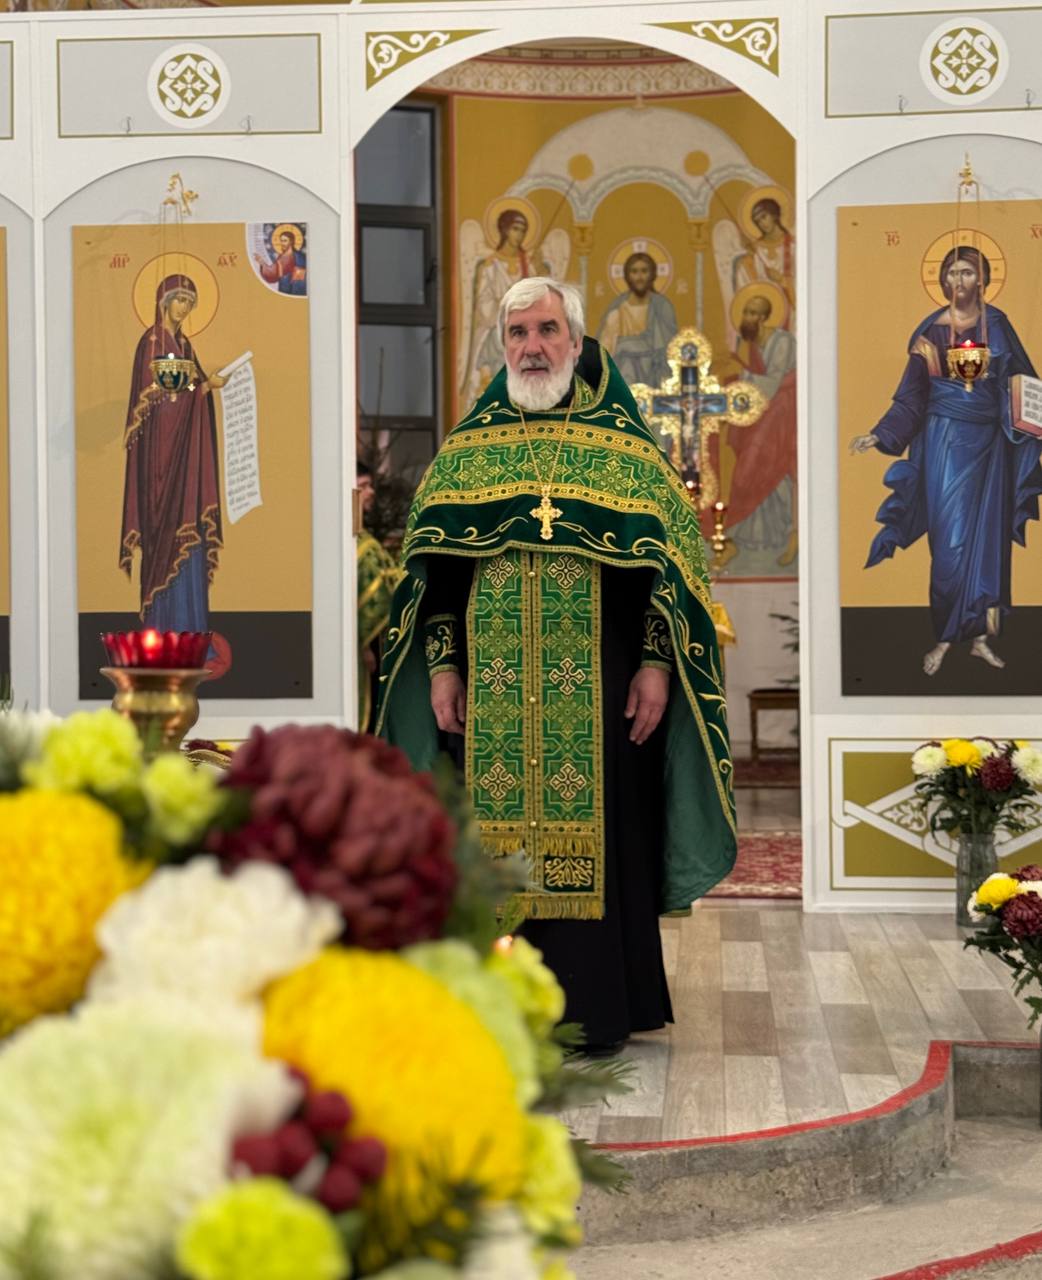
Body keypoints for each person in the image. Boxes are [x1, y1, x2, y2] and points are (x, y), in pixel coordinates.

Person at [378, 277, 736, 1055]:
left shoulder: (624, 449)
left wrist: (656, 664)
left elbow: (670, 574)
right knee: (486, 848)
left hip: (603, 690)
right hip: (490, 696)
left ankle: (595, 1010)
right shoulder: (469, 453)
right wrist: (442, 667)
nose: (532, 347)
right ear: (501, 345)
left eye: (546, 330)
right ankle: (495, 1008)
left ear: (576, 341)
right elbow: (434, 580)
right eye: (517, 333)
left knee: (607, 834)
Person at [851, 245, 1042, 675]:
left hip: (991, 445)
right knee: (949, 545)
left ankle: (978, 640)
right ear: (941, 280)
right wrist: (879, 434)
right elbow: (911, 396)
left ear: (983, 279)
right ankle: (943, 638)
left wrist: (1025, 415)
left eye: (967, 273)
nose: (959, 281)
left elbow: (1024, 383)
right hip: (944, 443)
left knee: (989, 543)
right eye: (952, 273)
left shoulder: (999, 325)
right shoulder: (930, 332)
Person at [120, 274, 226, 636]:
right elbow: (161, 406)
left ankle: (191, 633)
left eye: (190, 303)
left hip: (185, 464)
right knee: (166, 538)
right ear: (164, 301)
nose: (184, 308)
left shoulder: (184, 345)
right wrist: (204, 388)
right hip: (159, 463)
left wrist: (202, 389)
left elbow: (185, 396)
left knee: (189, 532)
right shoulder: (151, 343)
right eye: (180, 300)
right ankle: (163, 631)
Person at [713, 288, 798, 567]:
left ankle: (784, 535)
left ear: (763, 318)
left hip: (782, 412)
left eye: (752, 313)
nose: (746, 318)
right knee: (748, 467)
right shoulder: (748, 343)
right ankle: (749, 537)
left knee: (760, 467)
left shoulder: (782, 341)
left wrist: (738, 374)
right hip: (760, 411)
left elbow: (773, 383)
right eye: (745, 312)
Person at [460, 210, 547, 406]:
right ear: (504, 230)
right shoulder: (490, 266)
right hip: (498, 332)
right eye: (515, 229)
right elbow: (484, 307)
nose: (519, 235)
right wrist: (509, 300)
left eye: (523, 231)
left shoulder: (530, 266)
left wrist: (540, 271)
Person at [356, 462, 401, 732]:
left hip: (378, 639)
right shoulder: (352, 539)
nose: (371, 492)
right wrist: (363, 646)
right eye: (363, 486)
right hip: (364, 642)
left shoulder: (361, 536)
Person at [597, 250, 678, 388]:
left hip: (655, 373)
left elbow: (670, 347)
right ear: (627, 276)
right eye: (634, 272)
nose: (639, 277)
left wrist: (627, 345)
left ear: (652, 274)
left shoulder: (662, 306)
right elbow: (604, 350)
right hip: (623, 372)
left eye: (644, 271)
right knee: (626, 365)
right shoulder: (617, 308)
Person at [254, 227, 307, 296]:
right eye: (281, 241)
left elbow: (300, 281)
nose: (282, 243)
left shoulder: (297, 257)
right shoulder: (282, 257)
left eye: (285, 241)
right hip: (285, 289)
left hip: (292, 291)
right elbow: (275, 271)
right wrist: (262, 263)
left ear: (291, 241)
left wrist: (262, 263)